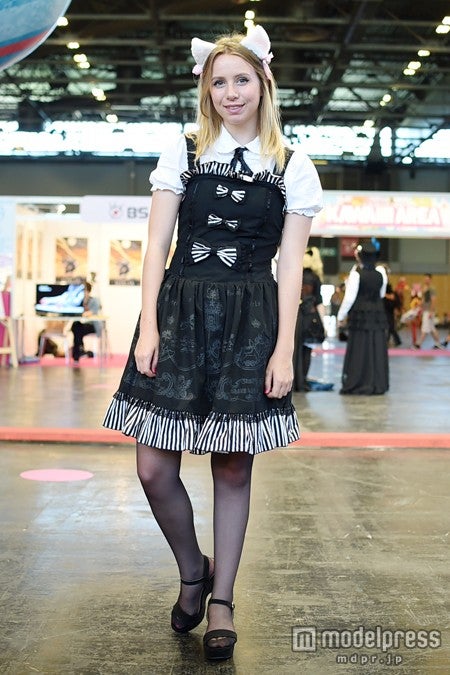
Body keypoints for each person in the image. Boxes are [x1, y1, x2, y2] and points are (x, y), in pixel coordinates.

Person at [103, 25, 322, 662]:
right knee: (152, 468)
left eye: (242, 79)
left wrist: (284, 349)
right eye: (219, 81)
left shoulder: (292, 165)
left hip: (251, 320)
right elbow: (155, 249)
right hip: (179, 313)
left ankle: (221, 599)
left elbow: (291, 268)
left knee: (232, 466)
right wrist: (148, 324)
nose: (231, 92)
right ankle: (193, 570)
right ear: (207, 88)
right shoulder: (184, 150)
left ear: (263, 84)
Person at [337, 240, 389, 395]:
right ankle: (377, 383)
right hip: (377, 313)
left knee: (359, 348)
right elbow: (382, 294)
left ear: (361, 256)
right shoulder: (381, 273)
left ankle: (358, 382)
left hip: (360, 315)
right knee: (376, 347)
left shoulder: (356, 274)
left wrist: (340, 316)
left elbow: (349, 299)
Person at [293, 247, 331, 391]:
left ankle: (292, 381)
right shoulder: (315, 278)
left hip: (294, 316)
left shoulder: (293, 273)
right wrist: (324, 323)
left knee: (292, 348)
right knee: (306, 349)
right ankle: (302, 381)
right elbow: (319, 302)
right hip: (309, 317)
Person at [71, 281, 102, 361]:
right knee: (76, 326)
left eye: (83, 290)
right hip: (82, 325)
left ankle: (78, 352)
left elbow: (91, 313)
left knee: (77, 329)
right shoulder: (78, 301)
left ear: (88, 291)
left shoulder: (94, 300)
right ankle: (80, 350)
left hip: (93, 325)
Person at [413, 273, 445, 350]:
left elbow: (433, 300)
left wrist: (431, 311)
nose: (426, 280)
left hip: (429, 311)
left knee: (424, 328)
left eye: (427, 279)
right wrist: (419, 306)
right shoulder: (425, 289)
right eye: (425, 279)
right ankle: (438, 344)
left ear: (430, 280)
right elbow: (424, 300)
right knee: (432, 329)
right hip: (425, 310)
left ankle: (418, 344)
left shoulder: (432, 289)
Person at [384, 278, 402, 346]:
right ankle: (388, 341)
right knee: (390, 327)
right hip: (388, 310)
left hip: (390, 311)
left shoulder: (391, 293)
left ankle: (397, 341)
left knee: (391, 327)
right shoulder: (389, 293)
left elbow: (394, 299)